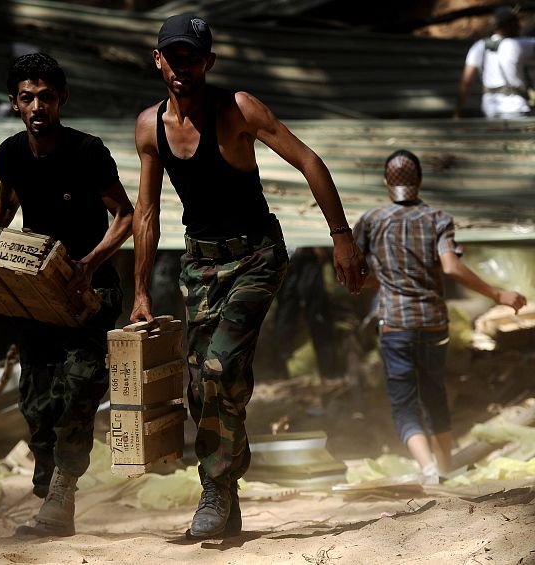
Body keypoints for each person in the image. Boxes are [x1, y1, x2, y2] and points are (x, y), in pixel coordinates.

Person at [130, 14, 367, 540]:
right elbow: (146, 212)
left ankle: (215, 485)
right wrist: (141, 290)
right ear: (158, 60)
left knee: (220, 368)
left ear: (209, 63)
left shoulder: (237, 109)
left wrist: (341, 237)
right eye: (174, 57)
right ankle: (228, 491)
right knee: (202, 387)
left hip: (257, 256)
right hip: (199, 265)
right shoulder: (149, 127)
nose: (183, 68)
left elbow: (309, 161)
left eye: (193, 58)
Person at [0, 52, 134, 537]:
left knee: (78, 389)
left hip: (90, 294)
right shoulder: (11, 153)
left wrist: (89, 265)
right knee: (36, 401)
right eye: (27, 97)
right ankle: (51, 477)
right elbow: (7, 202)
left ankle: (62, 494)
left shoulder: (87, 152)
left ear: (62, 99)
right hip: (37, 294)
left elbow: (126, 216)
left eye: (46, 97)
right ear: (14, 102)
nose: (37, 107)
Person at [353, 149, 527, 485]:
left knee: (404, 401)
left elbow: (352, 270)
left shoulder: (371, 221)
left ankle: (428, 469)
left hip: (395, 324)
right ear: (419, 180)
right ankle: (446, 468)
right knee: (434, 393)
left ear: (386, 182)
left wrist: (383, 279)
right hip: (433, 322)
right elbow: (450, 266)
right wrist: (497, 294)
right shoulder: (438, 219)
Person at [273, 246, 341, 380]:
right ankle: (281, 369)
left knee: (318, 315)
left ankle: (329, 369)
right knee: (285, 316)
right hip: (282, 258)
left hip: (307, 255)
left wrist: (318, 246)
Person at [454, 6, 535, 118]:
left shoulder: (479, 46)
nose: (519, 27)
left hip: (490, 110)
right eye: (516, 22)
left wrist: (458, 110)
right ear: (507, 24)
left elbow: (466, 82)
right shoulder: (520, 44)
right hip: (516, 108)